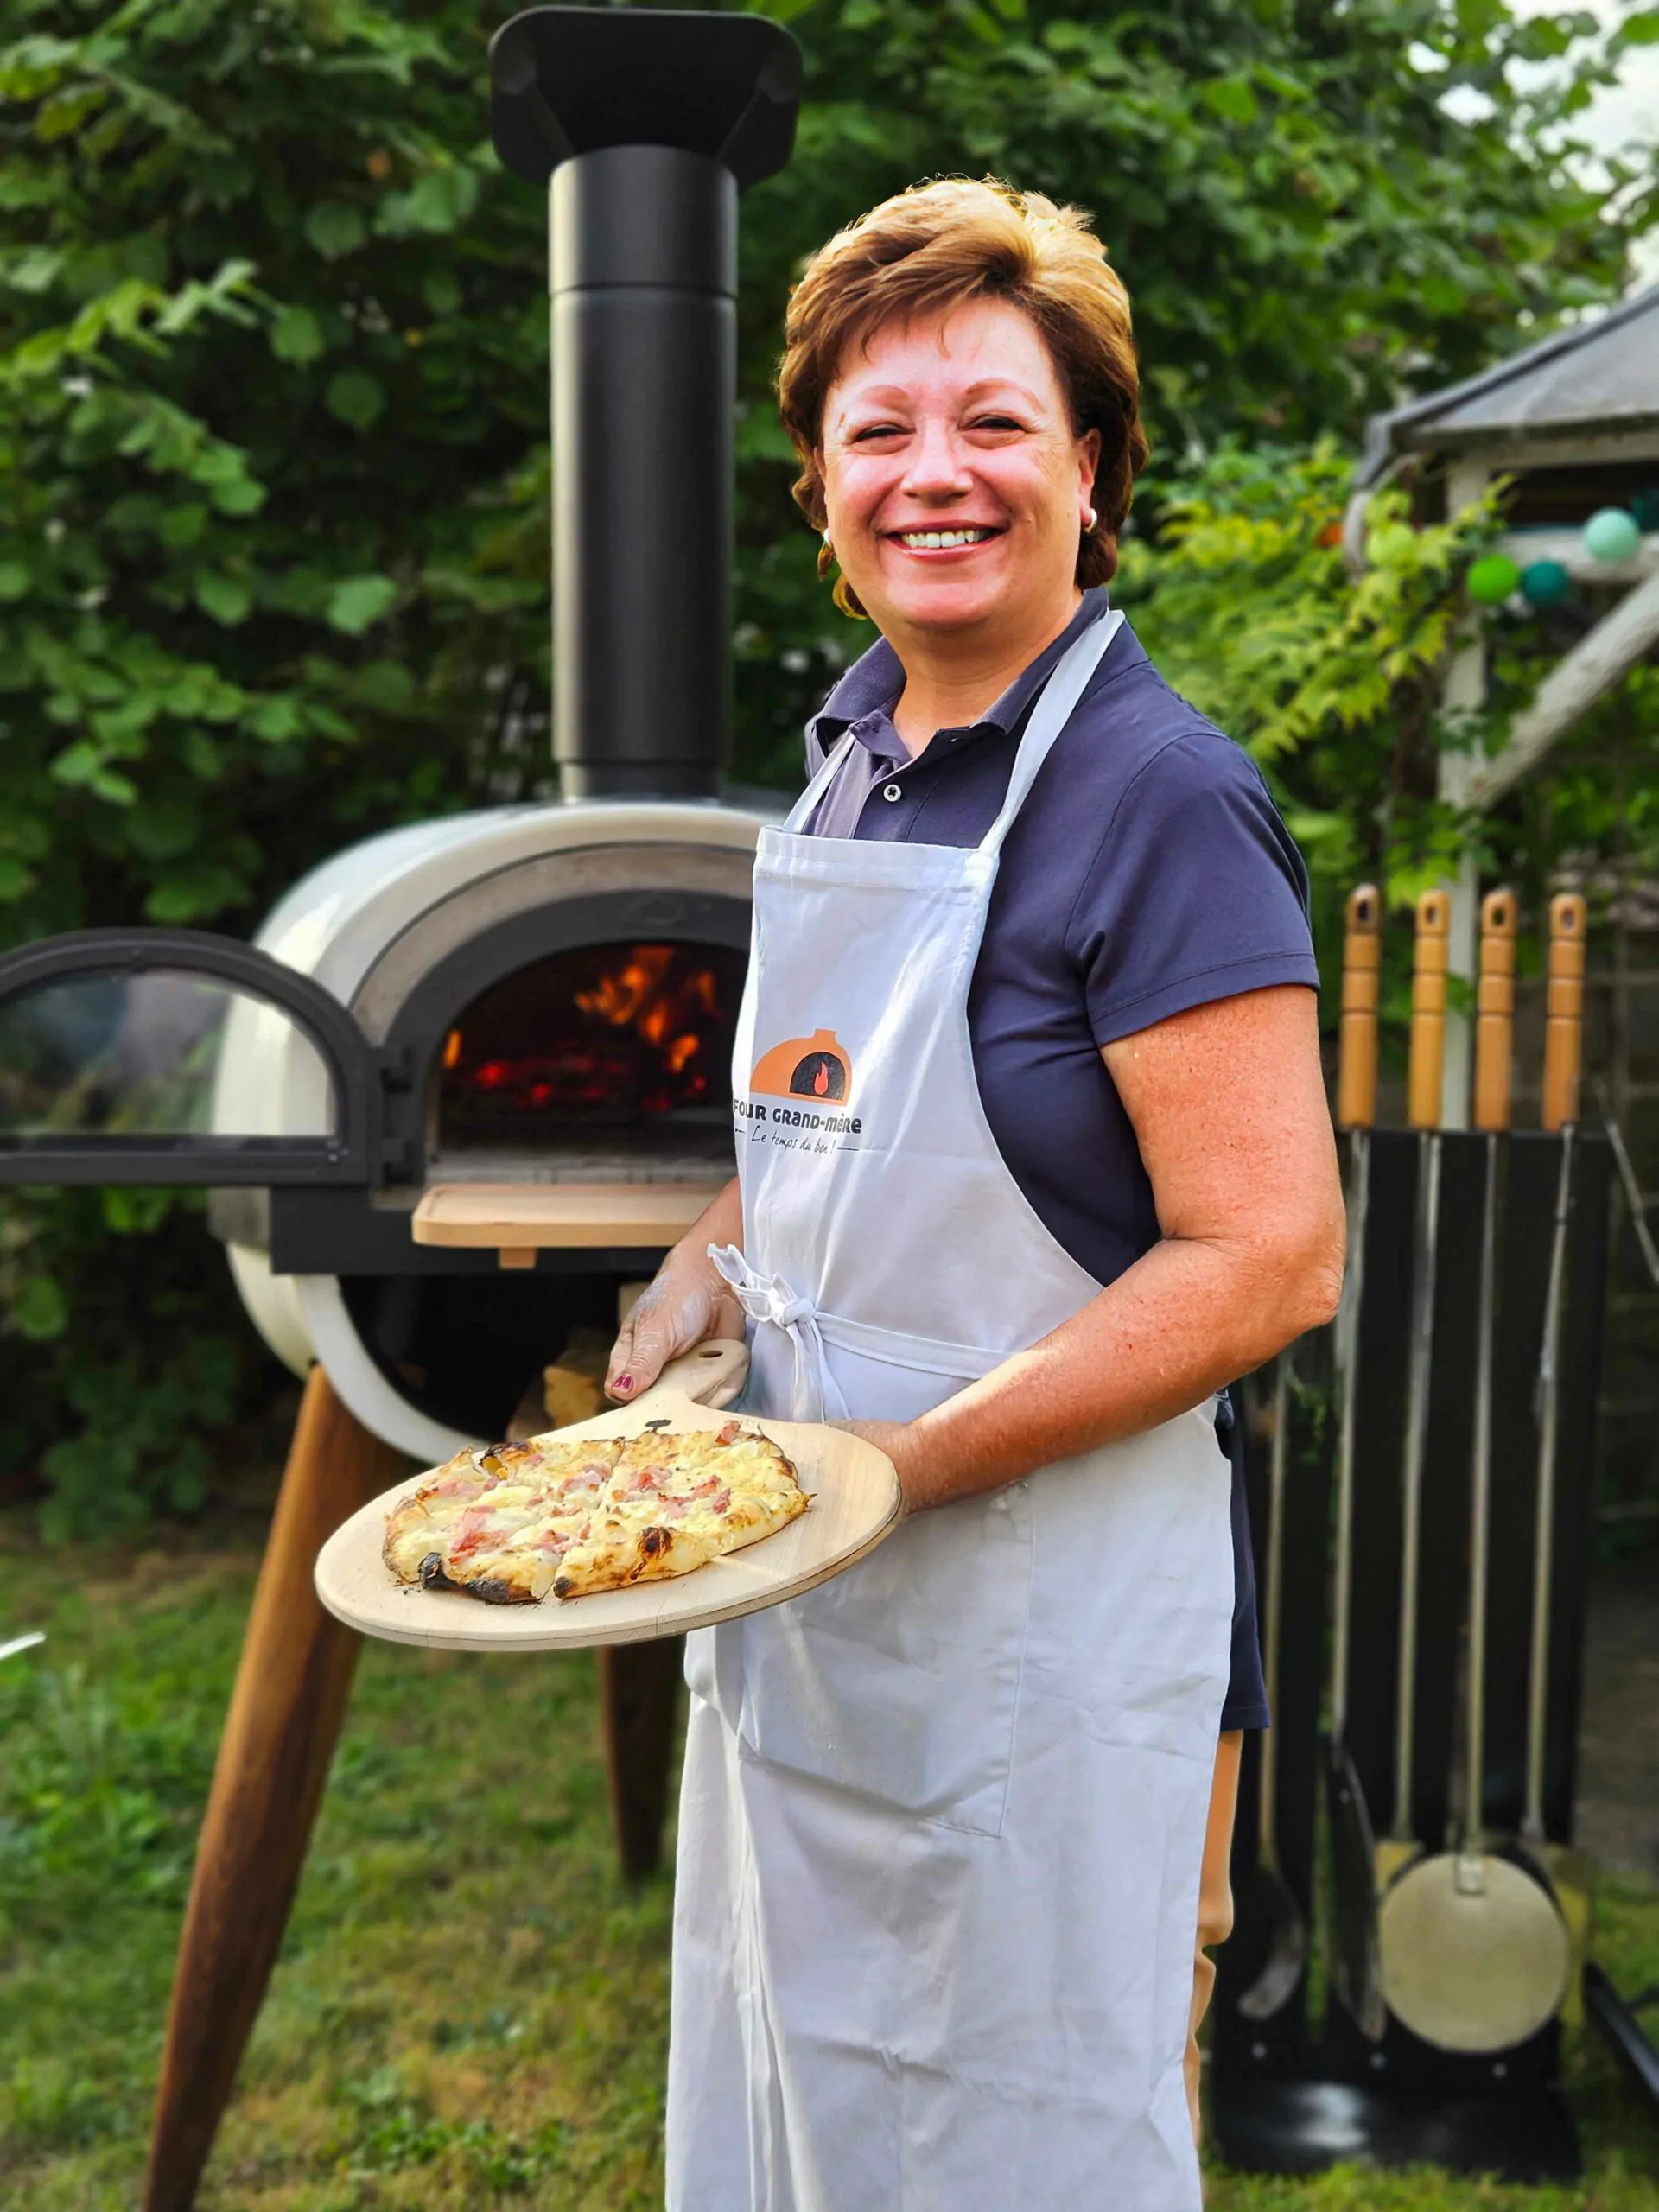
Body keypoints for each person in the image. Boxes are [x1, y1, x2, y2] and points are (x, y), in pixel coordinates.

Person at [605, 177, 1344, 2211]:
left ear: (1090, 470)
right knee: (799, 2099)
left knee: (1009, 2139)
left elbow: (1272, 1253)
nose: (938, 475)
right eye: (880, 431)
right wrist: (709, 1277)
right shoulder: (849, 758)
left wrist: (896, 1471)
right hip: (810, 1619)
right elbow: (827, 1160)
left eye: (996, 422)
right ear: (819, 490)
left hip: (1027, 1626)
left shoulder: (1154, 794)